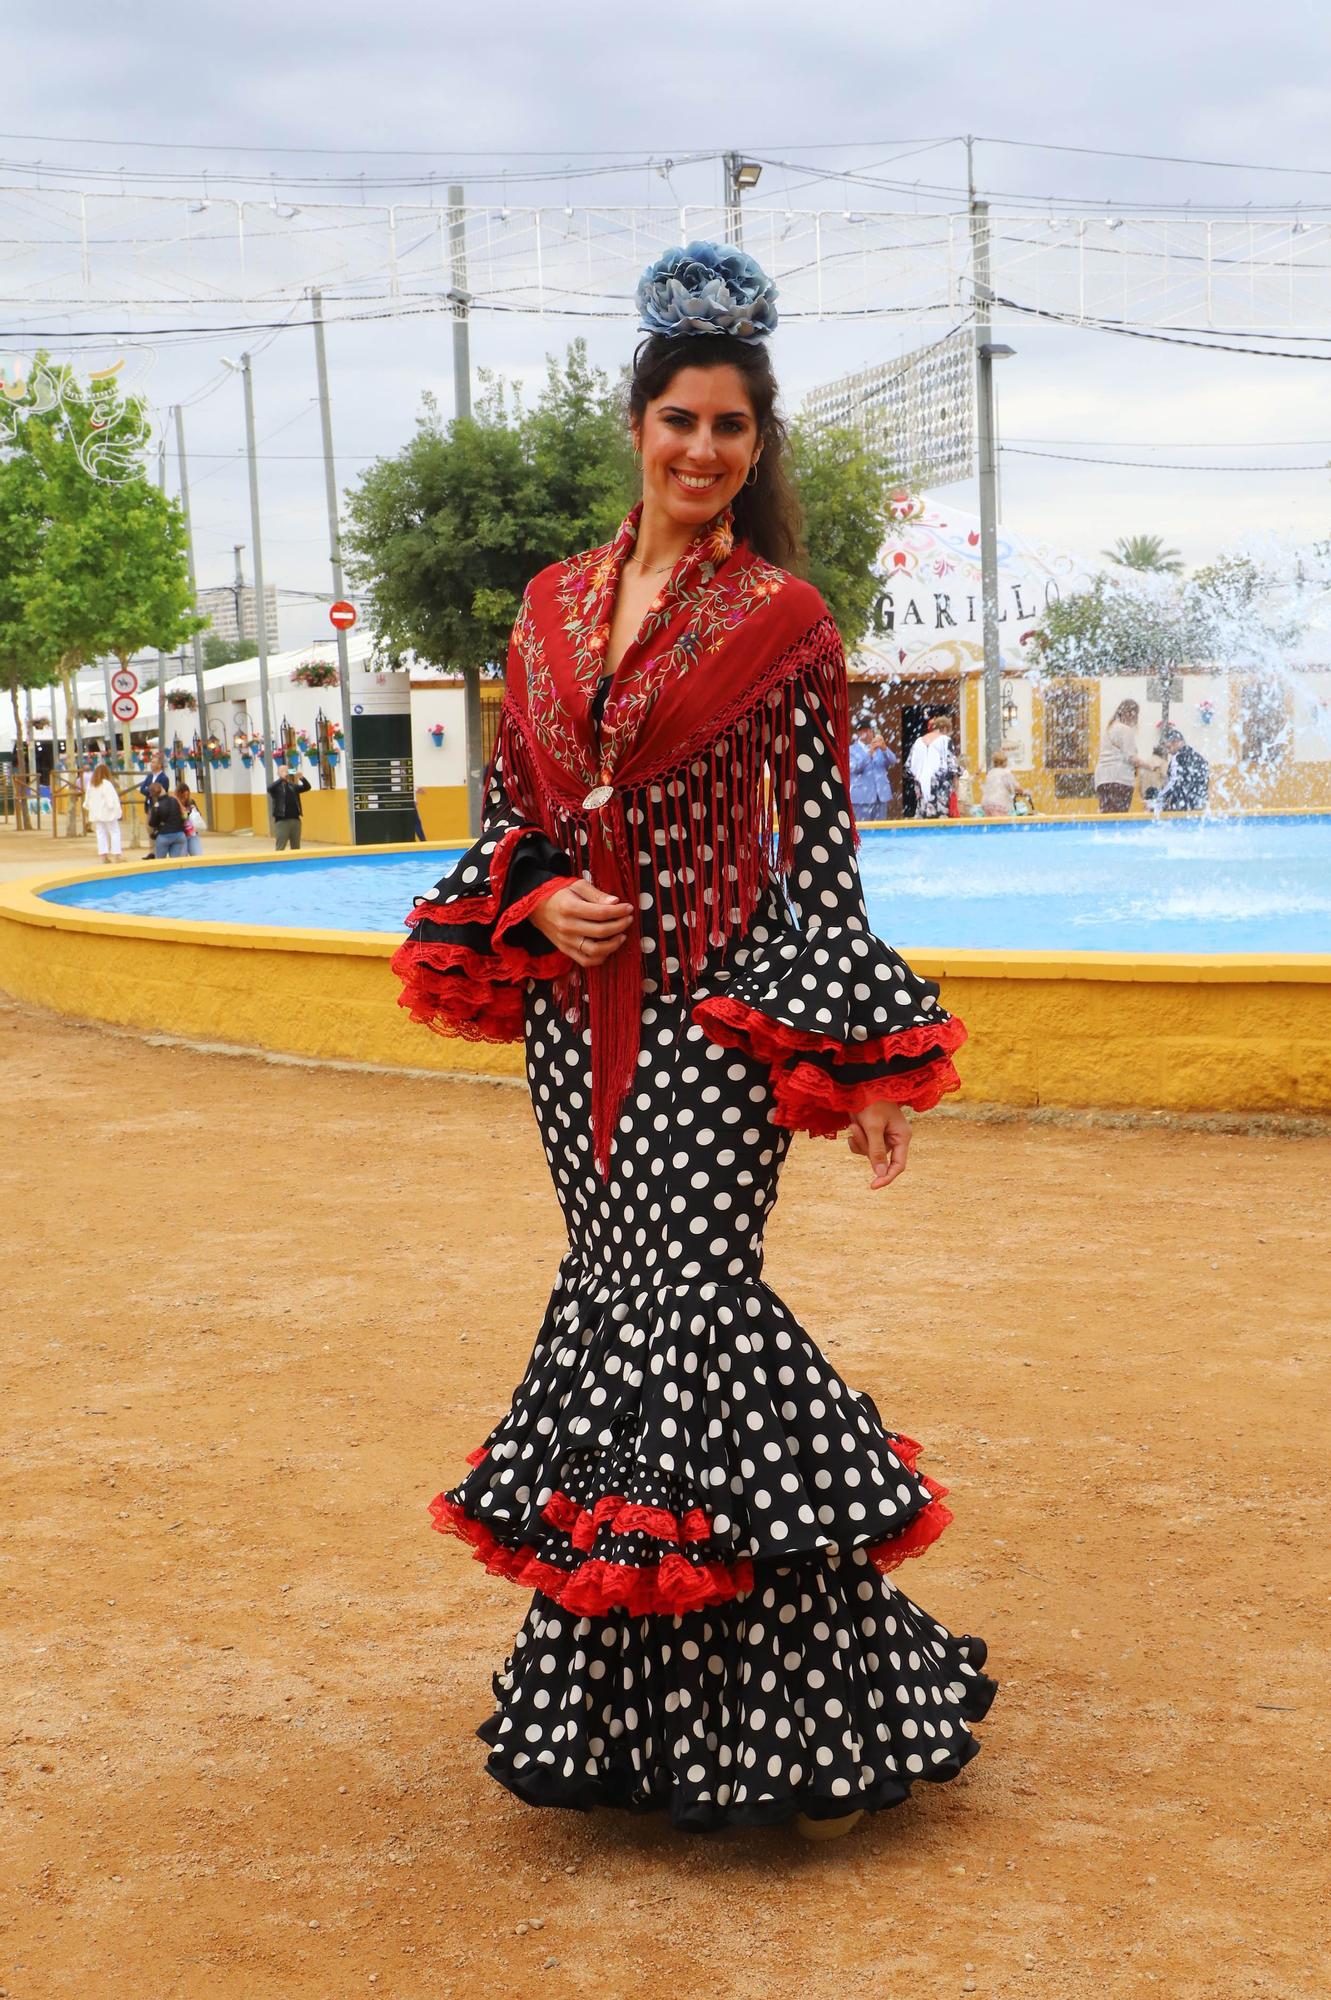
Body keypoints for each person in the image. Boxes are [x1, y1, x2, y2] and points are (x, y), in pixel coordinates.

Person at [391, 240, 994, 1840]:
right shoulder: (546, 607)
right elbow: (514, 813)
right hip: (571, 1035)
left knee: (686, 1310)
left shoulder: (783, 619)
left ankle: (810, 1712)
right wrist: (533, 904)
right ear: (638, 425)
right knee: (626, 1328)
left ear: (753, 446)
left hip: (711, 1033)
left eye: (732, 429)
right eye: (681, 422)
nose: (703, 452)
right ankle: (655, 1718)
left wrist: (858, 1061)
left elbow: (813, 855)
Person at [1093, 698, 1149, 814]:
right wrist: (1150, 766)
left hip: (1102, 779)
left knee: (1106, 815)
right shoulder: (1126, 730)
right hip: (1119, 779)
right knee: (1119, 816)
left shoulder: (1110, 728)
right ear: (1131, 714)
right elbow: (1131, 758)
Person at [907, 710, 959, 819]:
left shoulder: (918, 742)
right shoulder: (945, 740)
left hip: (921, 786)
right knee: (941, 818)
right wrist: (955, 784)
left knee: (923, 815)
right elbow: (952, 766)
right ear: (945, 728)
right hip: (940, 786)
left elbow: (909, 767)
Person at [848, 722, 897, 823]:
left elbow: (893, 761)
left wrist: (884, 748)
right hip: (862, 797)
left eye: (870, 731)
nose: (869, 733)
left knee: (881, 831)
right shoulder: (851, 750)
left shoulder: (880, 748)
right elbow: (855, 768)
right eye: (866, 731)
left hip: (881, 796)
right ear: (859, 733)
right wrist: (869, 753)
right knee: (863, 831)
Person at [1157, 726, 1210, 812]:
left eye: (1169, 747)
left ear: (1176, 742)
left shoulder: (1177, 758)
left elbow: (1172, 782)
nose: (1168, 751)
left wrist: (1159, 796)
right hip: (1199, 802)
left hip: (1183, 803)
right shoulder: (1199, 757)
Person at [85, 762, 124, 863]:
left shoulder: (91, 784)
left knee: (101, 833)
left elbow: (87, 799)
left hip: (97, 813)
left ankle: (103, 856)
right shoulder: (106, 784)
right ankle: (116, 855)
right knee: (114, 831)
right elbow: (111, 799)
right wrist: (116, 809)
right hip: (108, 812)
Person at [268, 766, 311, 849]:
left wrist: (301, 777)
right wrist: (281, 778)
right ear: (278, 773)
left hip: (295, 820)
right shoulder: (276, 787)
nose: (285, 772)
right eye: (282, 771)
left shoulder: (293, 786)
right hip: (282, 821)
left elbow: (307, 787)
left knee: (296, 847)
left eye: (287, 770)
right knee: (280, 847)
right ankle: (279, 862)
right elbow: (269, 788)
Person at [147, 783, 188, 858]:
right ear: (163, 789)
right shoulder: (174, 800)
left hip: (164, 836)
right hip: (179, 835)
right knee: (175, 863)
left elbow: (152, 824)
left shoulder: (157, 805)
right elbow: (183, 814)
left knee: (161, 863)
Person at [980, 753, 1021, 818]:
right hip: (999, 804)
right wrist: (1021, 791)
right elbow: (1014, 787)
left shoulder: (991, 772)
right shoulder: (1006, 773)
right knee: (1000, 824)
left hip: (986, 803)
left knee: (990, 825)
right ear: (1004, 762)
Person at [175, 781, 205, 857]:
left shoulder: (191, 802)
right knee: (182, 857)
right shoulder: (174, 803)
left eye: (187, 795)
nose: (185, 797)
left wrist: (194, 812)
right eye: (183, 796)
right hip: (181, 834)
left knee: (197, 855)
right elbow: (180, 817)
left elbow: (198, 814)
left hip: (192, 833)